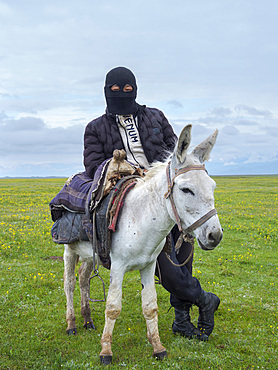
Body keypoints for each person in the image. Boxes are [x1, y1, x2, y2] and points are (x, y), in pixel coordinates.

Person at [83, 66, 220, 341]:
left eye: (127, 89)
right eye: (115, 90)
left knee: (182, 261)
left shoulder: (155, 116)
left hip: (167, 190)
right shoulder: (95, 128)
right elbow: (92, 165)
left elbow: (173, 151)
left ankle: (182, 320)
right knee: (169, 274)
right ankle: (205, 300)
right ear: (106, 92)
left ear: (135, 89)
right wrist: (123, 169)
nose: (122, 94)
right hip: (132, 198)